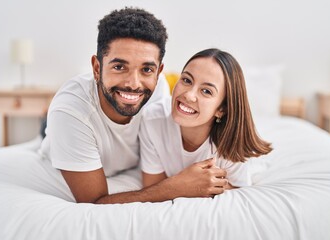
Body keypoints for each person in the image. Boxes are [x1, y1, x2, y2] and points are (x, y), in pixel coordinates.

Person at [40, 8, 228, 204]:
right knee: (53, 123)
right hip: (66, 129)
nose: (133, 83)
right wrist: (176, 187)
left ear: (158, 72)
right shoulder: (70, 112)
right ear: (97, 68)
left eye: (146, 69)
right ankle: (45, 120)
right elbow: (94, 201)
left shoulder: (159, 89)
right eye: (119, 67)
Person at [140, 48, 272, 189]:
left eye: (206, 91)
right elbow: (152, 187)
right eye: (186, 80)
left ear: (221, 109)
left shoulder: (230, 146)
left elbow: (237, 191)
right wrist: (186, 184)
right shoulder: (152, 119)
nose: (189, 95)